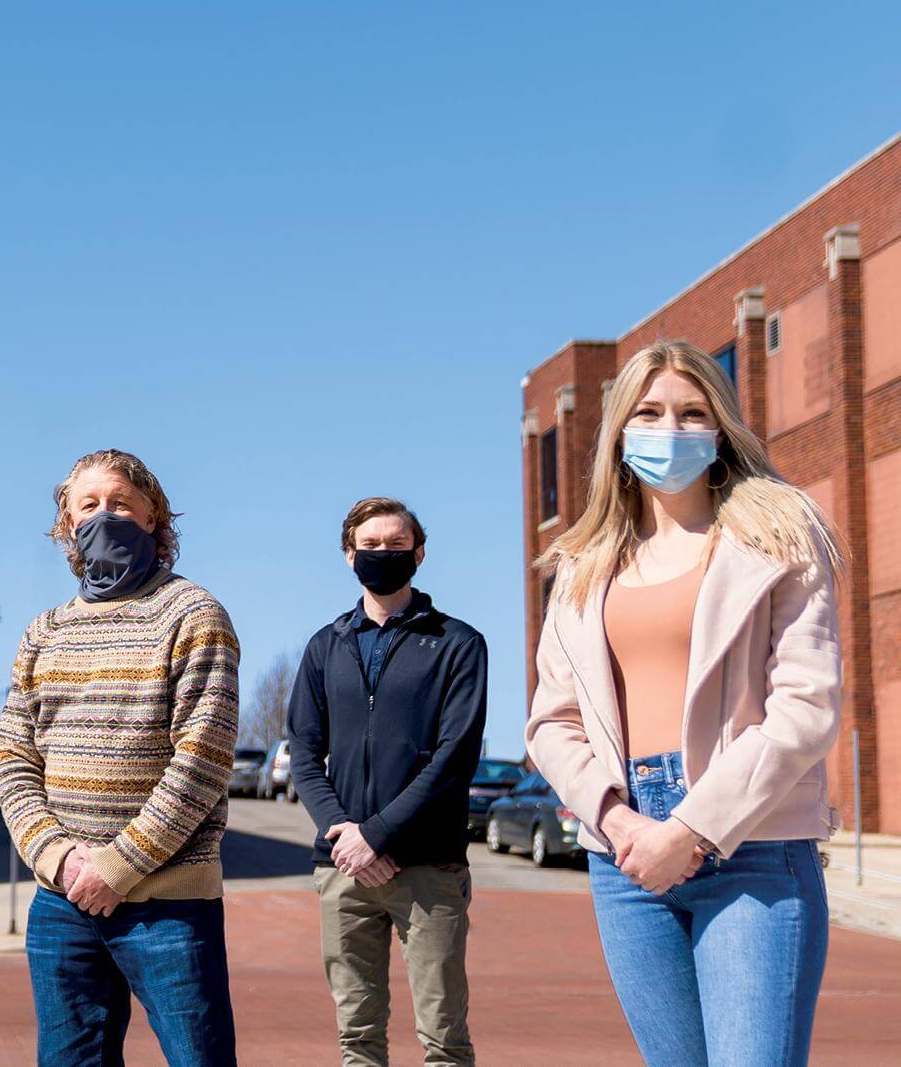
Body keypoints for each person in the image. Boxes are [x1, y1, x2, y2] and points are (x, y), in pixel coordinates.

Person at [527, 339, 840, 1067]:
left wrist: (693, 830)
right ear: (617, 431)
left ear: (721, 427)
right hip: (625, 852)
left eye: (692, 412)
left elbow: (807, 706)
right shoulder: (581, 563)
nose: (670, 430)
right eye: (650, 412)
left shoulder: (781, 534)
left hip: (753, 844)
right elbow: (552, 720)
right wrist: (616, 820)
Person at [0, 448, 241, 1067]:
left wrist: (118, 867)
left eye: (122, 504)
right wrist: (57, 857)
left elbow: (202, 762)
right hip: (63, 904)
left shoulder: (194, 616)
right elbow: (14, 757)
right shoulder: (44, 631)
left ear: (154, 518)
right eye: (88, 505)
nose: (104, 516)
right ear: (65, 526)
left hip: (169, 906)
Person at [286, 496, 487, 1067]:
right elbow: (303, 751)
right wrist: (344, 834)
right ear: (350, 556)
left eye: (395, 545)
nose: (382, 555)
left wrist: (377, 834)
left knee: (444, 1038)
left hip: (428, 867)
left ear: (419, 554)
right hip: (342, 868)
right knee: (357, 1037)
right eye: (369, 546)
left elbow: (454, 757)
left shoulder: (458, 644)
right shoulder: (325, 646)